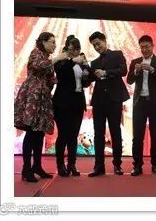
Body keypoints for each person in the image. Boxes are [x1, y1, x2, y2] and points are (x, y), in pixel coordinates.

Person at [14, 32, 67, 181]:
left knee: (39, 133)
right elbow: (38, 66)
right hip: (33, 96)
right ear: (43, 42)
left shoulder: (47, 57)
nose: (54, 45)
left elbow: (51, 79)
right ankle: (26, 169)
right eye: (52, 42)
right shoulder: (36, 53)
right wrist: (57, 59)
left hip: (43, 98)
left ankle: (37, 166)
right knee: (31, 132)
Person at [87, 31, 129, 176]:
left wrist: (105, 73)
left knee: (115, 132)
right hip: (99, 101)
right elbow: (89, 79)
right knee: (98, 134)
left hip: (114, 99)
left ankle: (117, 165)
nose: (96, 47)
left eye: (98, 43)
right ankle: (99, 166)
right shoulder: (94, 63)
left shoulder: (117, 54)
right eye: (94, 45)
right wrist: (86, 71)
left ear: (104, 41)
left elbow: (123, 71)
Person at [126, 35, 156, 176]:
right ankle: (137, 165)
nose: (144, 49)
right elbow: (129, 80)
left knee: (155, 134)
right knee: (137, 135)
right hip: (140, 102)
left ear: (152, 46)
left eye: (147, 46)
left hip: (155, 102)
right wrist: (136, 71)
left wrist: (152, 69)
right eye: (142, 47)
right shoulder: (135, 62)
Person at [52, 36, 90, 176]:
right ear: (66, 48)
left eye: (77, 49)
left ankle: (72, 164)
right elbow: (62, 73)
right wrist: (73, 61)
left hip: (77, 103)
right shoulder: (61, 60)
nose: (75, 52)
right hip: (62, 103)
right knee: (63, 134)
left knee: (74, 135)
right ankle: (60, 164)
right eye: (72, 49)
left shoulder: (81, 60)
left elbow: (85, 82)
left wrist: (86, 74)